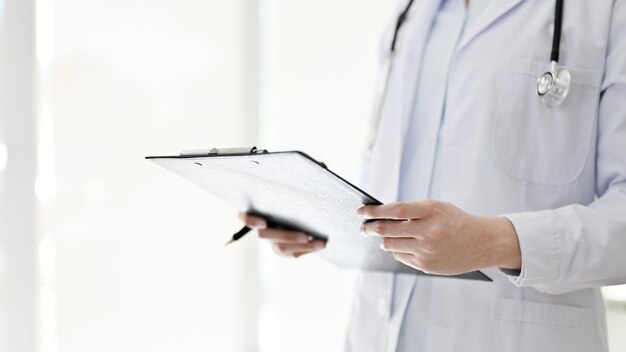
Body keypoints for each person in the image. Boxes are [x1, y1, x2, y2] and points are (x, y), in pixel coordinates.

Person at [239, 0, 626, 351]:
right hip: (379, 332)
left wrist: (493, 242)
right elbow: (390, 177)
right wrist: (320, 222)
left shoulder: (603, 11)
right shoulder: (411, 11)